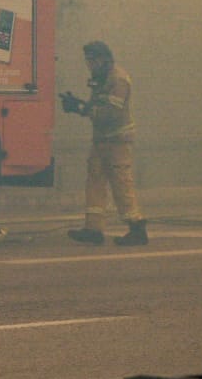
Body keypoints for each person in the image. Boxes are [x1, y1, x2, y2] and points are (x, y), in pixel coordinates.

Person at [60, 40, 148, 246]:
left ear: (103, 59)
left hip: (117, 141)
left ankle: (137, 227)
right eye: (87, 61)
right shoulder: (102, 78)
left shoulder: (118, 80)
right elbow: (98, 106)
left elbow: (111, 113)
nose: (89, 65)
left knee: (121, 183)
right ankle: (93, 229)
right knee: (95, 182)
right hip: (102, 140)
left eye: (92, 61)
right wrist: (79, 104)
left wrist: (80, 108)